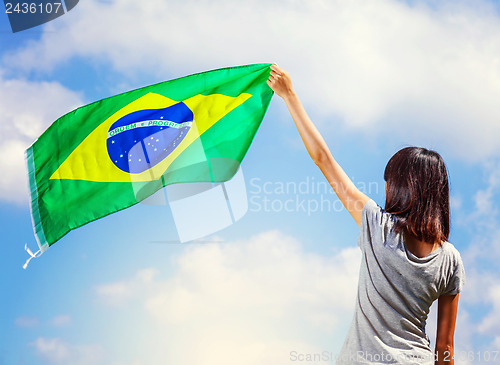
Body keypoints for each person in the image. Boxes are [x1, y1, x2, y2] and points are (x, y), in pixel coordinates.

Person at [267, 64, 465, 365]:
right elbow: (445, 348)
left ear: (402, 186)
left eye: (390, 181)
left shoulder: (378, 225)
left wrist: (290, 96)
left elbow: (324, 160)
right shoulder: (451, 259)